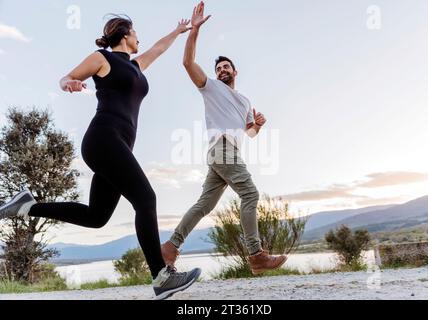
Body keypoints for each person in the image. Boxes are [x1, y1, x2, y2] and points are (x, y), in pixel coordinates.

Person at [0, 14, 200, 300]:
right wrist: (69, 83)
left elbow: (157, 49)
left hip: (117, 145)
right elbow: (65, 77)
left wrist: (179, 31)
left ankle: (26, 207)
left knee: (96, 217)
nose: (138, 39)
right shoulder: (102, 58)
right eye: (135, 33)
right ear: (124, 34)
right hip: (103, 139)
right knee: (146, 199)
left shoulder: (135, 65)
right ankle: (161, 275)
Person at [161, 2, 288, 276]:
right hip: (220, 150)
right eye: (218, 68)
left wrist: (259, 126)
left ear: (235, 71)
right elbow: (187, 62)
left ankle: (171, 247)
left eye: (226, 67)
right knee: (250, 193)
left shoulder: (244, 101)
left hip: (230, 153)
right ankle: (255, 255)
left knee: (204, 205)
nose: (221, 70)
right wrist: (194, 30)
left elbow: (249, 134)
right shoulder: (210, 87)